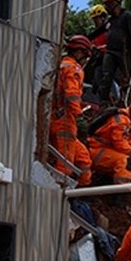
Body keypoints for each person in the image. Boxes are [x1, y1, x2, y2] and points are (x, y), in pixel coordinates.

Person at [51, 36, 93, 186]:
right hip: (65, 121)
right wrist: (79, 116)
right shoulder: (73, 69)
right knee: (65, 164)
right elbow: (72, 95)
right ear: (80, 52)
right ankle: (59, 193)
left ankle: (81, 192)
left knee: (84, 159)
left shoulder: (60, 64)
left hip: (56, 117)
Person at [87, 99, 131, 184]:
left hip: (110, 150)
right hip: (99, 151)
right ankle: (120, 189)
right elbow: (121, 145)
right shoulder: (121, 122)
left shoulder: (129, 117)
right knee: (125, 162)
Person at [94, 0, 131, 103]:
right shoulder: (111, 20)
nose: (106, 8)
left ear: (115, 3)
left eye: (108, 4)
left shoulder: (127, 16)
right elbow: (99, 31)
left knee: (127, 78)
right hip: (110, 52)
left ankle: (128, 101)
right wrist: (84, 38)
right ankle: (103, 102)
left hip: (124, 53)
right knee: (106, 76)